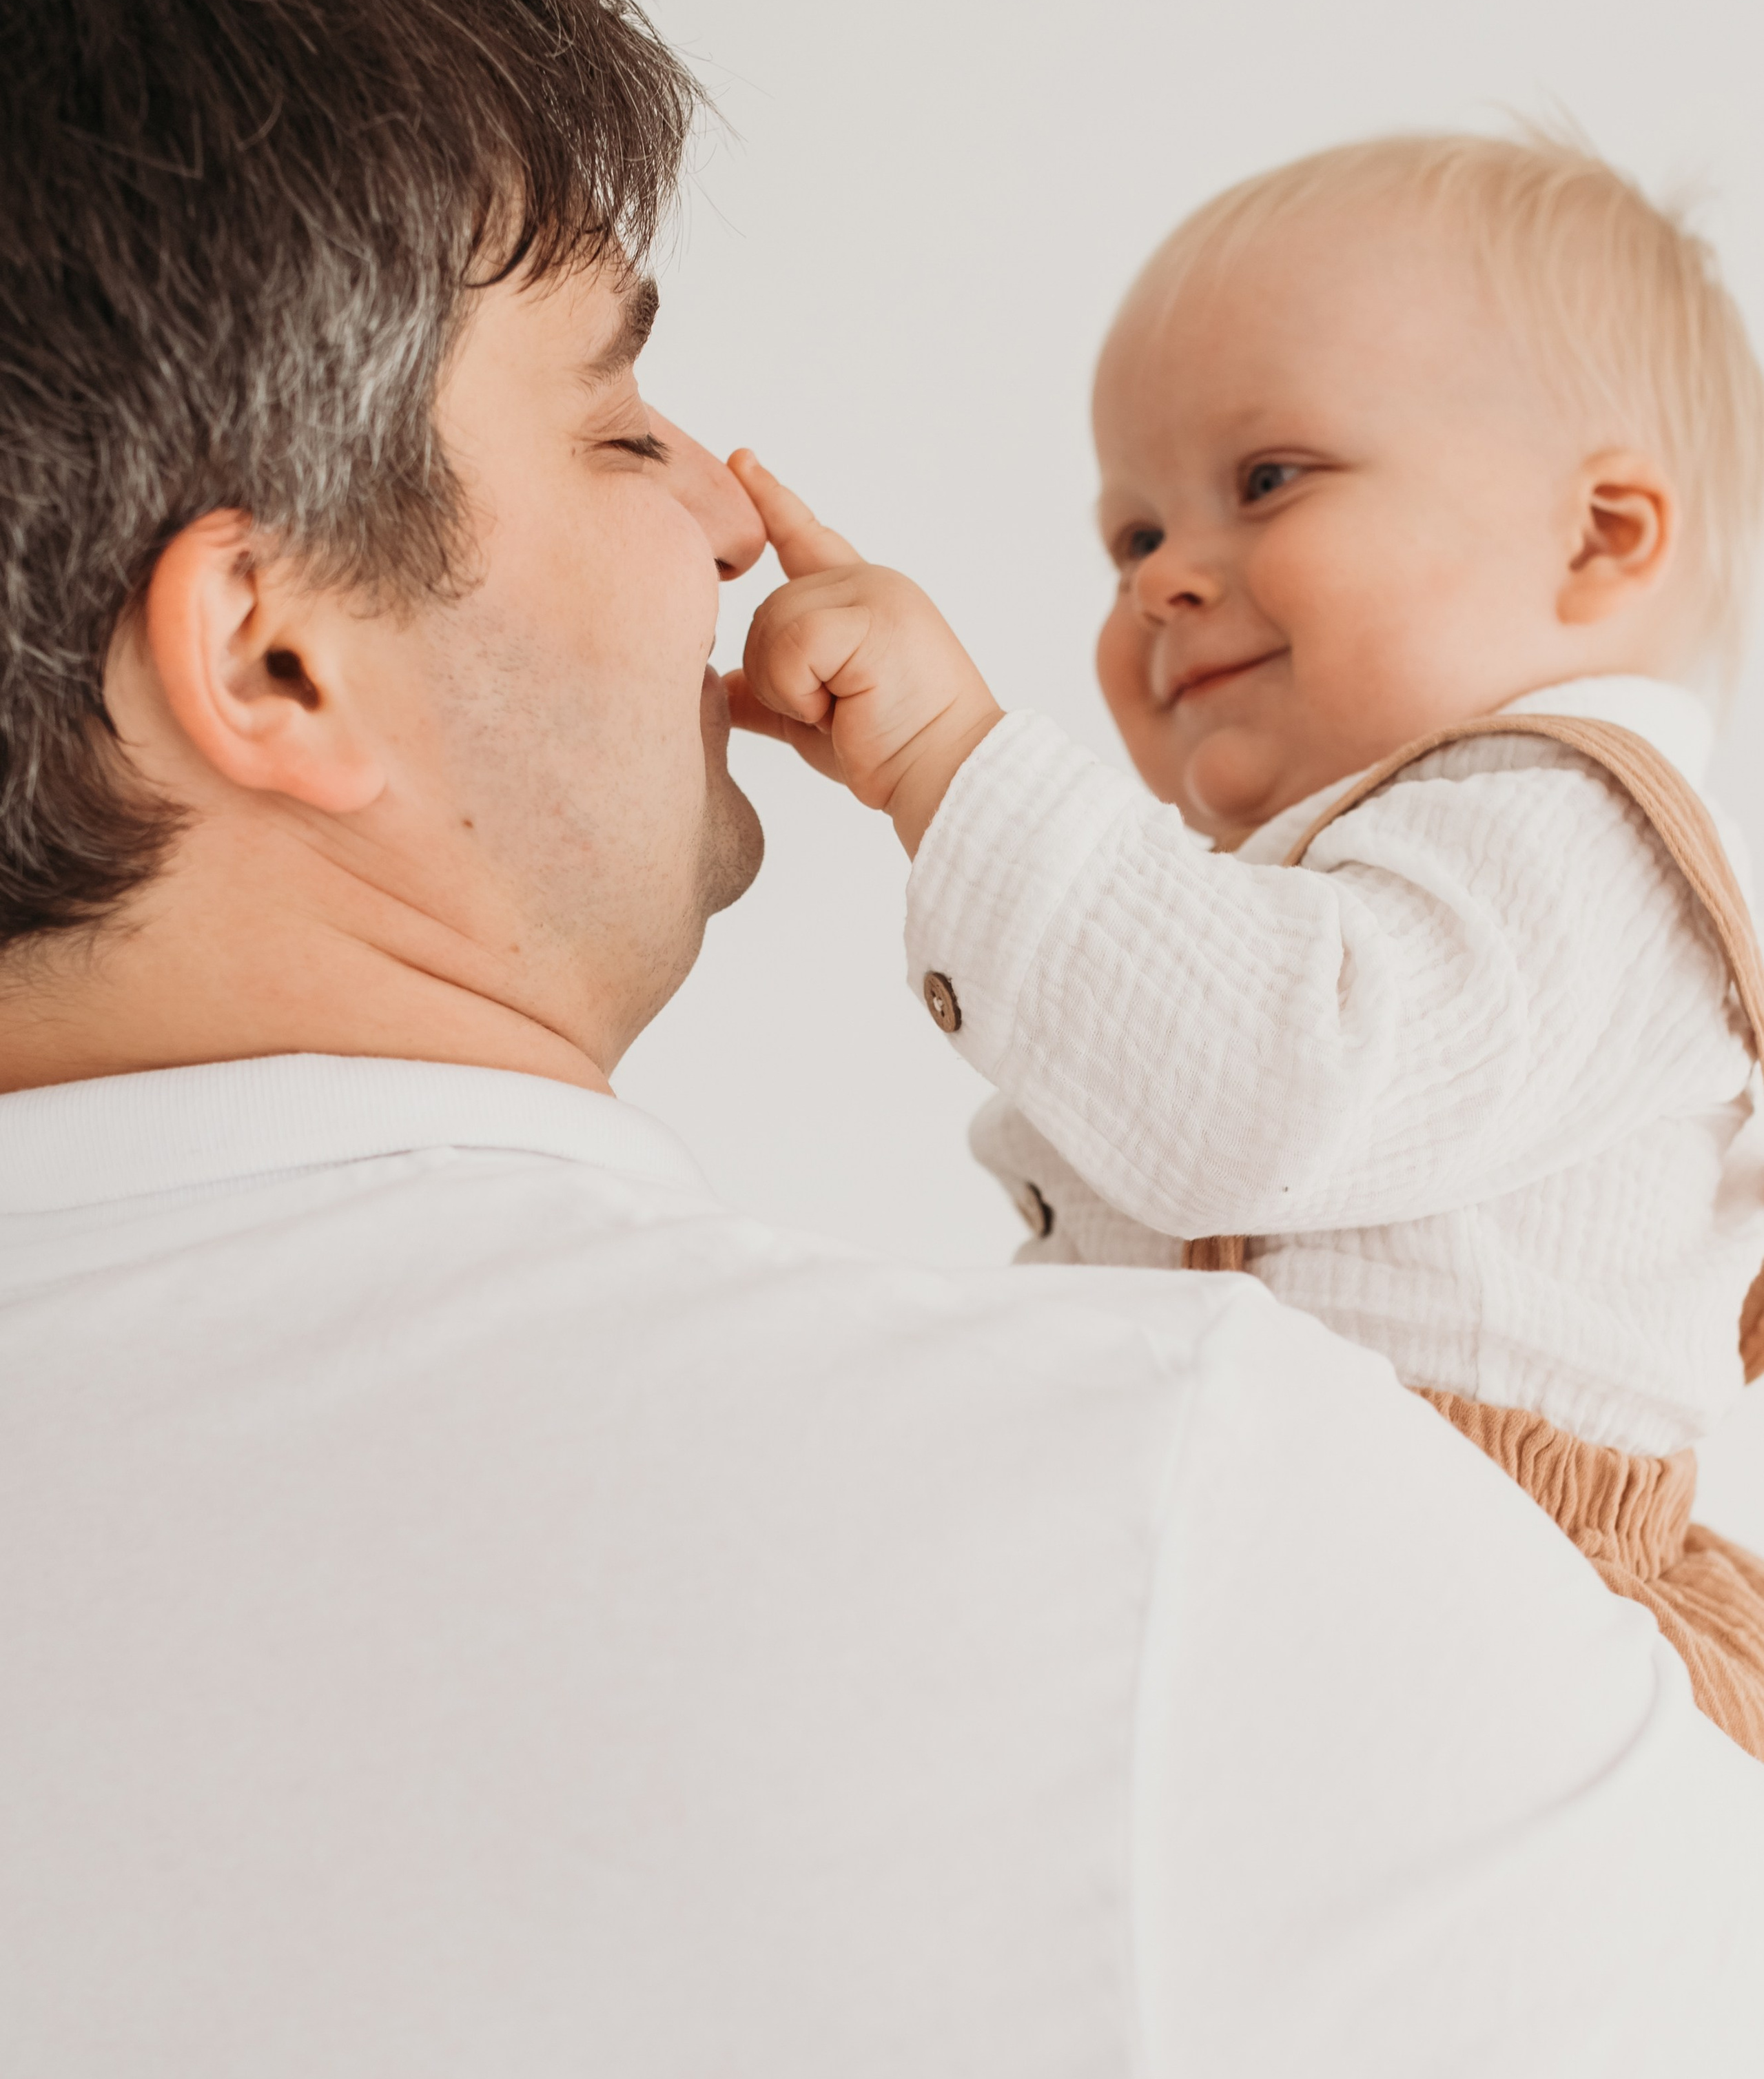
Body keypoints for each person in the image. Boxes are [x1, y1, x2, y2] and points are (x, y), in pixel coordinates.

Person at [1, 0, 1763, 2079]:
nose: (736, 514)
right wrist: (967, 778)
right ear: (274, 660)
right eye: (621, 425)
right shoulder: (1198, 1533)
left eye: (1267, 484)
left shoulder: (1542, 849)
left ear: (1608, 539)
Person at [725, 134, 1764, 1750]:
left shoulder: (1576, 830)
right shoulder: (1333, 883)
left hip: (1479, 1631)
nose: (1162, 583)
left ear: (1597, 537)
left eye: (1265, 481)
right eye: (1130, 538)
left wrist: (947, 761)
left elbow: (1265, 1086)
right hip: (1288, 1591)